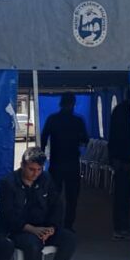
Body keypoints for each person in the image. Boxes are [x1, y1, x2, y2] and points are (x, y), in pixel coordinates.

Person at [0, 147, 78, 260]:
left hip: (44, 227)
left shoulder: (46, 179)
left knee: (69, 239)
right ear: (22, 165)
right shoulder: (8, 183)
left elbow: (57, 205)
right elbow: (8, 215)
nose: (35, 174)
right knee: (32, 244)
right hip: (20, 230)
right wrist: (32, 229)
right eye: (31, 169)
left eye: (39, 170)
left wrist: (52, 228)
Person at [40, 93, 90, 230]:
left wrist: (41, 157)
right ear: (73, 104)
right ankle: (68, 225)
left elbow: (43, 138)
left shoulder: (52, 119)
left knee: (53, 195)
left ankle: (53, 223)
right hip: (72, 163)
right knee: (72, 197)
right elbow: (85, 140)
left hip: (56, 162)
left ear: (61, 103)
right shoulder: (78, 121)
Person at [108, 98, 130, 240]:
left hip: (121, 159)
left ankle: (121, 227)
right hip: (125, 160)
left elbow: (112, 136)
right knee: (123, 195)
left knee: (122, 195)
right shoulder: (126, 112)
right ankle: (122, 227)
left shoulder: (118, 110)